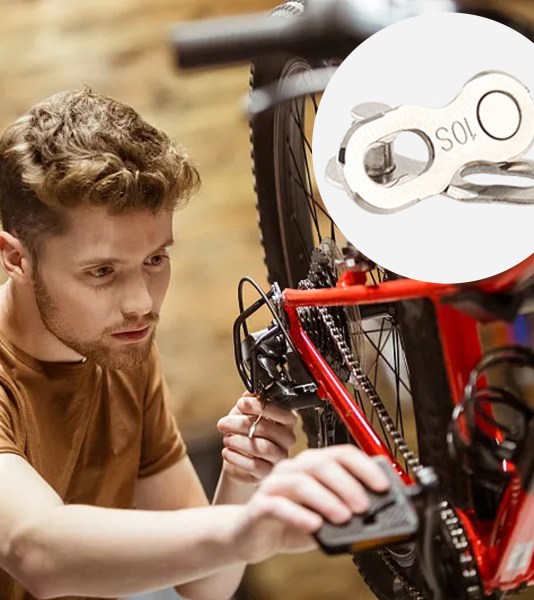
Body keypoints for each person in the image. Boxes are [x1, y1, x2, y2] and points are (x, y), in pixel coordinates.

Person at [0, 89, 389, 600]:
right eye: (101, 272)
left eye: (156, 260)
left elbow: (204, 586)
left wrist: (241, 481)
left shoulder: (118, 345)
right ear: (15, 258)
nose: (141, 302)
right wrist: (249, 530)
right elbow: (37, 552)